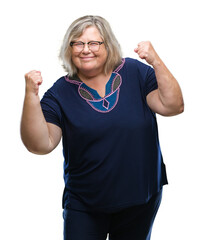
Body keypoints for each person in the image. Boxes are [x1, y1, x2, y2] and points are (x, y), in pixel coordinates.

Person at [21, 15, 184, 240]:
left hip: (140, 198)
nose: (85, 49)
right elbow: (40, 145)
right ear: (69, 48)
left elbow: (173, 106)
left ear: (108, 44)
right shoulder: (58, 93)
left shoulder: (135, 72)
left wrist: (155, 61)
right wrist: (31, 94)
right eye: (78, 43)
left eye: (94, 43)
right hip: (85, 204)